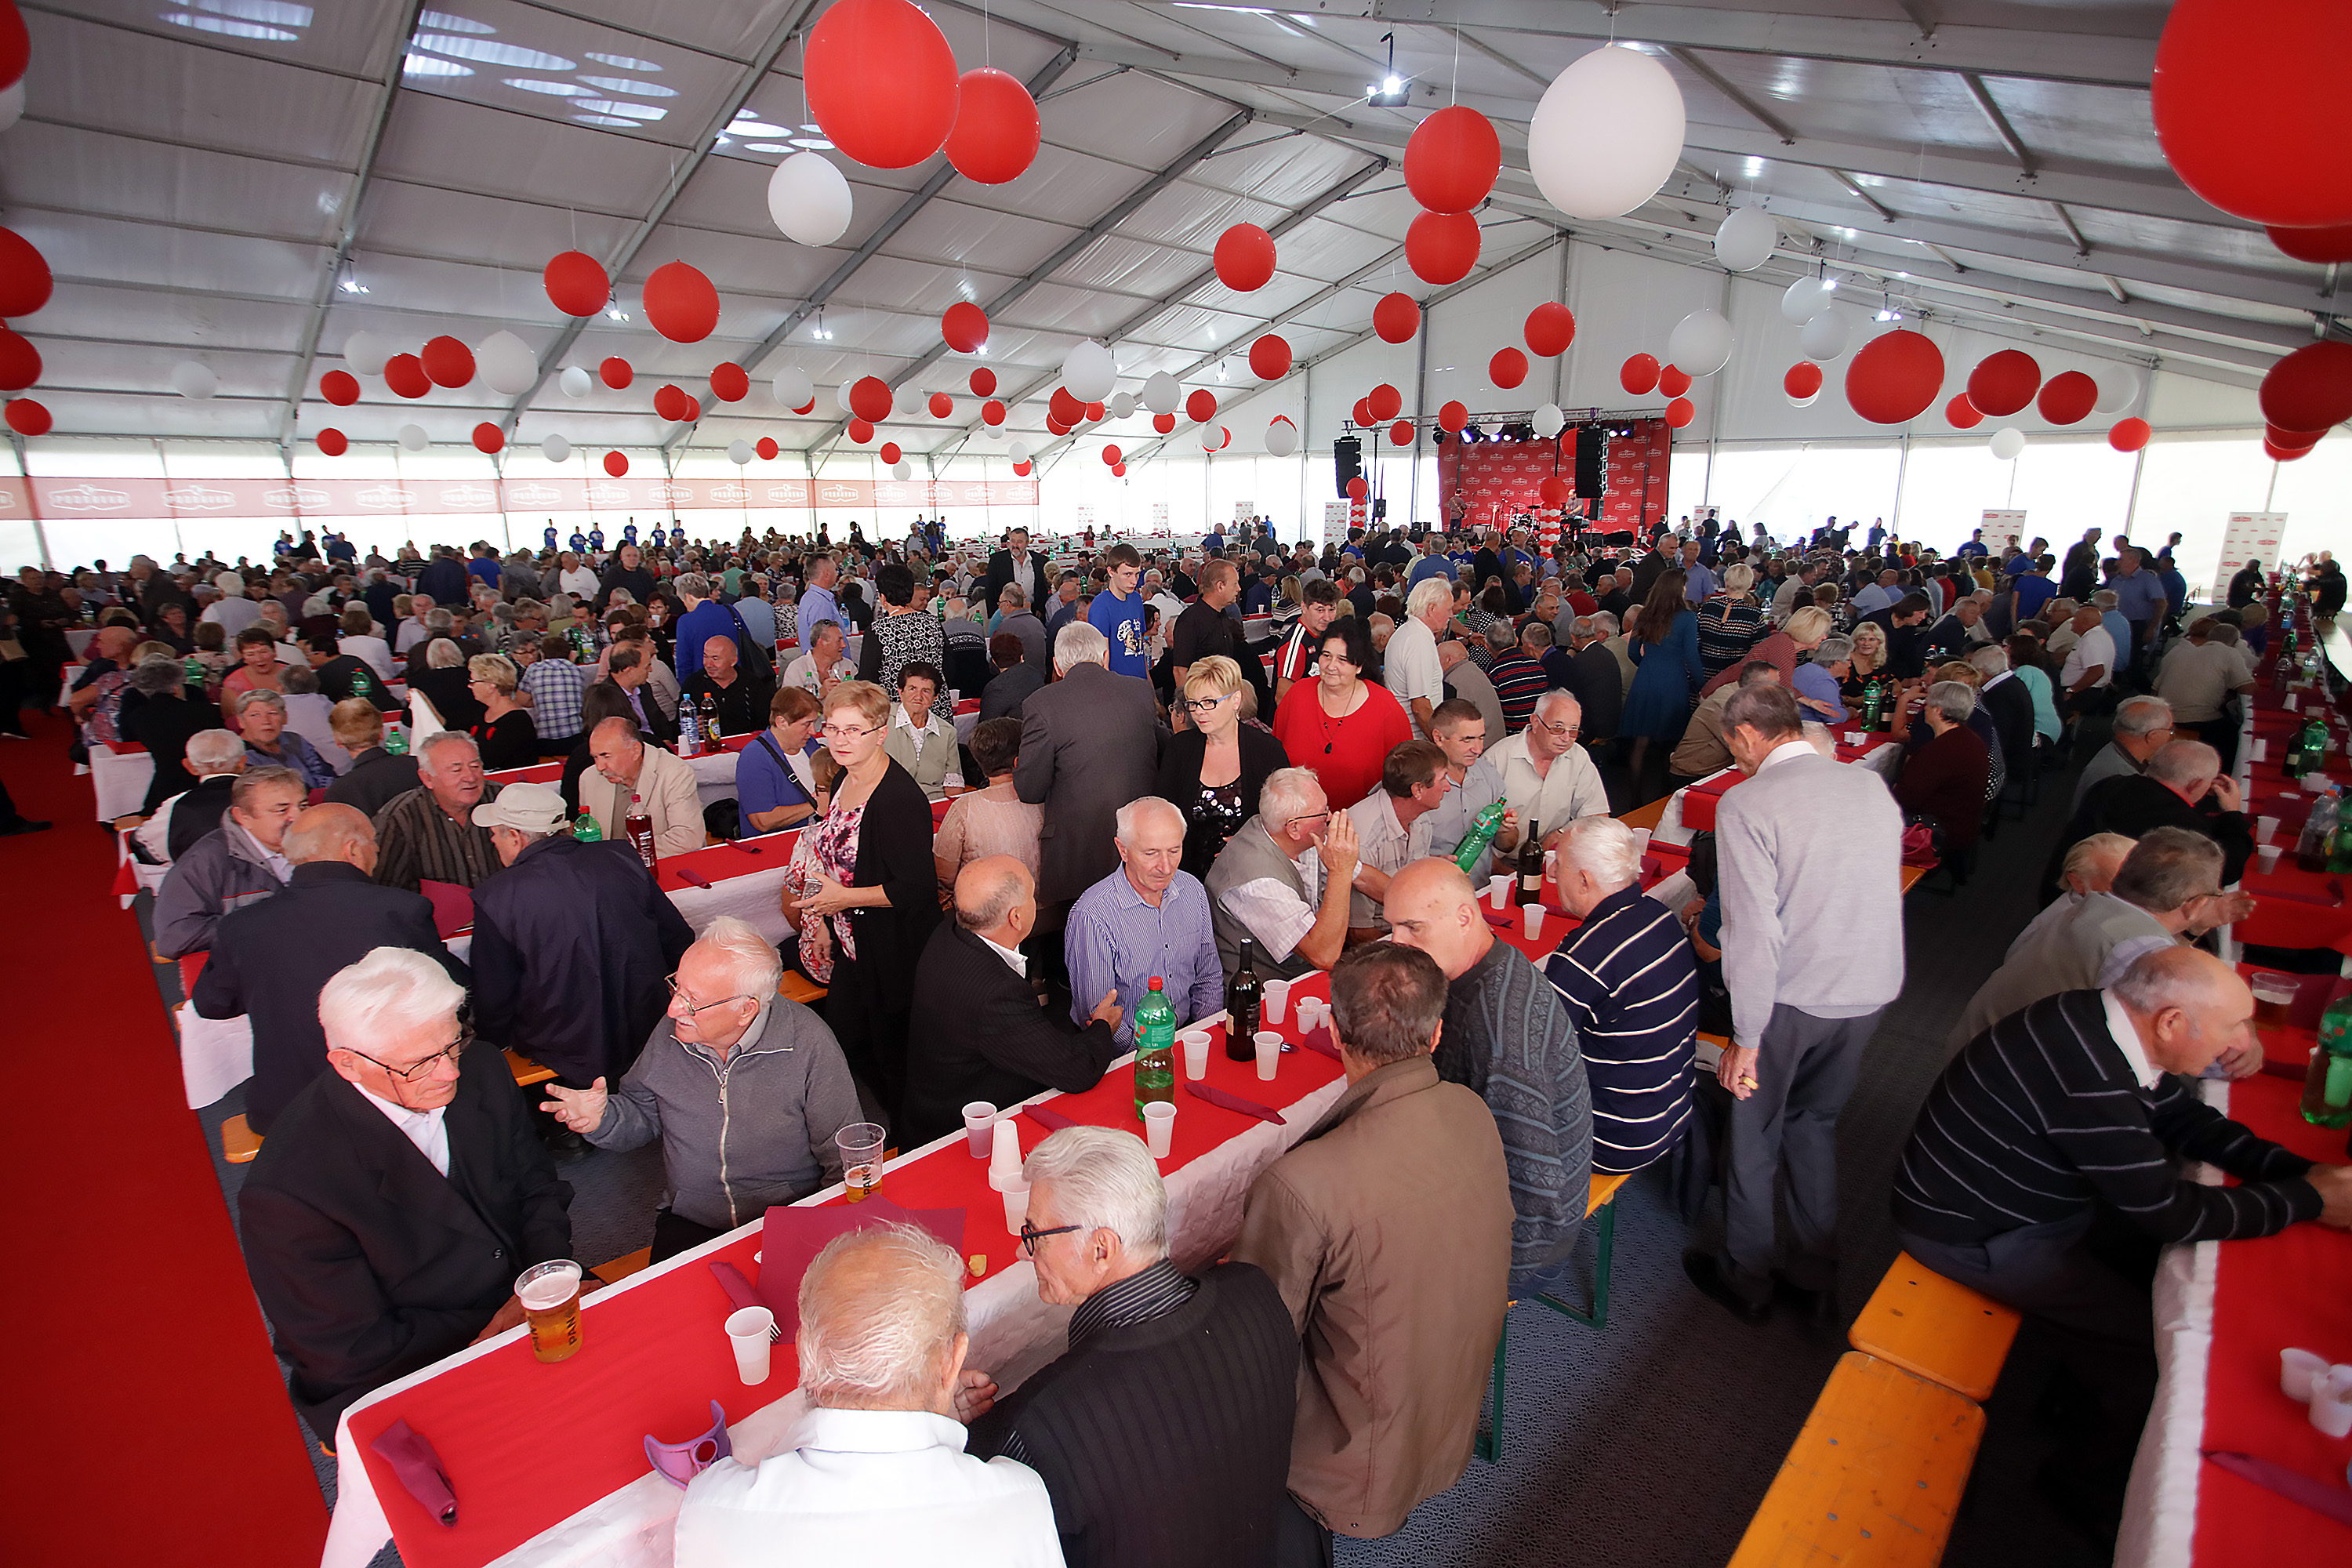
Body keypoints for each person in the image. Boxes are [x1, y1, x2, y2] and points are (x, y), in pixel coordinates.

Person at [1893, 947, 2352, 1534]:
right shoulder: (2090, 1077)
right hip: (1975, 1232)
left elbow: (2182, 1119)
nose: (2240, 1041)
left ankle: (2070, 1395)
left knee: (2152, 1270)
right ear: (2171, 1023)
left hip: (2020, 1205)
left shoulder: (2099, 1021)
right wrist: (2311, 1200)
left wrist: (2301, 1174)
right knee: (2153, 1350)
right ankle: (2078, 1480)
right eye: (2233, 1025)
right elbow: (2171, 1213)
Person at [1232, 942, 1513, 1555]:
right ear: (1436, 1033)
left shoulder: (1302, 1184)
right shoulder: (1471, 1109)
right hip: (1449, 1412)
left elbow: (1256, 1348)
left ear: (1334, 1034)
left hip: (1352, 1463)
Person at [236, 946, 573, 1445]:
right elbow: (348, 1347)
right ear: (348, 1064)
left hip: (526, 1298)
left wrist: (545, 1282)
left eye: (453, 1043)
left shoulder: (481, 1067)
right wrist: (506, 1321)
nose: (450, 1072)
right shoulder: (288, 1190)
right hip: (406, 1365)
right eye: (419, 1063)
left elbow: (536, 1186)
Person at [964, 1127, 1300, 1568]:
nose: (1026, 1253)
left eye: (1036, 1234)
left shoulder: (1046, 1421)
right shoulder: (1256, 1291)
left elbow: (976, 1530)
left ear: (1101, 1248)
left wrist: (943, 1422)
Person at [1688, 684, 1904, 1326]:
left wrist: (1746, 1036)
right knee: (1815, 1124)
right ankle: (1815, 1276)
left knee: (1755, 1134)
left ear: (1745, 735)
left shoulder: (1748, 802)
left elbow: (1754, 932)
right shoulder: (1868, 786)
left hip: (1791, 997)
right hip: (1868, 989)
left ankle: (1748, 1275)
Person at [673, 1224, 1062, 1567]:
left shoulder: (713, 1510)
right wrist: (934, 1407)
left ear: (805, 1352)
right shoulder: (1018, 1504)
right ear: (953, 1362)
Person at [542, 916, 858, 1259]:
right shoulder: (672, 1033)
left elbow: (845, 1152)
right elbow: (642, 1113)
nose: (673, 1008)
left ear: (745, 1009)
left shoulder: (808, 1043)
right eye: (676, 987)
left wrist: (823, 1230)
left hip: (789, 1213)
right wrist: (602, 1118)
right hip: (691, 1216)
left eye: (692, 1000)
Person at [1381, 859, 1593, 1286]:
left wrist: (1485, 1278)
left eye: (1413, 928)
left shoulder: (1500, 1035)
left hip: (1523, 1245)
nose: (1397, 944)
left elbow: (1535, 1191)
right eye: (1392, 928)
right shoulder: (1488, 962)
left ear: (1464, 917)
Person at [192, 804, 464, 1134]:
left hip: (287, 1107)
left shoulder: (241, 926)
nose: (377, 852)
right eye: (373, 843)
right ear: (353, 850)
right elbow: (454, 991)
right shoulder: (399, 909)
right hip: (389, 1098)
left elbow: (212, 1004)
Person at [468, 779, 695, 1099]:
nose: (493, 840)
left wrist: (493, 1042)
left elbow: (494, 995)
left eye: (495, 833)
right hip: (647, 1022)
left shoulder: (496, 897)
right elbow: (677, 938)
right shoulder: (620, 856)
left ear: (516, 837)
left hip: (563, 1046)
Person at [786, 680, 943, 1109]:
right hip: (851, 939)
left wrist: (843, 901)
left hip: (893, 949)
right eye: (833, 728)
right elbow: (832, 858)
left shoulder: (897, 799)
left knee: (894, 1057)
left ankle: (912, 1136)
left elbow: (916, 888)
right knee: (850, 1041)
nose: (840, 740)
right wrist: (825, 921)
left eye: (854, 730)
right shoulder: (843, 778)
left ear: (880, 732)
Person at [903, 858, 1123, 1146]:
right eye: (1032, 896)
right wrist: (1104, 1026)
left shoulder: (949, 930)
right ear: (1016, 918)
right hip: (963, 1132)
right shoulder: (996, 994)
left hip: (929, 1101)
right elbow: (1078, 1070)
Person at [1545, 816, 1700, 1173]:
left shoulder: (1583, 957)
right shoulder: (1659, 915)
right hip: (1672, 1112)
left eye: (1559, 863)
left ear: (1584, 879)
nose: (1552, 873)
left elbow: (1535, 1053)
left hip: (1613, 1140)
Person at [1016, 622, 1163, 916]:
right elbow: (1161, 749)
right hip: (1142, 843)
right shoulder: (1139, 691)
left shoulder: (1041, 704)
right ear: (1106, 656)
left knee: (1079, 937)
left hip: (1078, 854)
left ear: (1057, 666)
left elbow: (1029, 790)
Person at [1065, 797, 1222, 1048]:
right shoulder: (1093, 915)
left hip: (1192, 1038)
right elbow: (1098, 1016)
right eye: (1151, 853)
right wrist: (1148, 1050)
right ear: (1123, 850)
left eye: (1174, 851)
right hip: (1131, 1052)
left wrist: (1203, 1036)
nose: (1166, 867)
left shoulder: (1192, 889)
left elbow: (1208, 977)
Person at [1204, 768, 1359, 984]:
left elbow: (1363, 877)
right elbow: (1324, 955)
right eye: (1324, 812)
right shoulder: (1257, 881)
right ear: (1294, 828)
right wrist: (1340, 871)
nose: (1330, 817)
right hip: (1263, 994)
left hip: (1301, 978)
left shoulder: (1287, 831)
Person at [1156, 655, 1289, 880]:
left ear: (1236, 700)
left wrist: (1251, 843)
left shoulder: (1268, 750)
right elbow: (1163, 812)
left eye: (1209, 702)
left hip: (1250, 875)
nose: (1199, 712)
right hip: (1187, 877)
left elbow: (1287, 821)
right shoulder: (1179, 748)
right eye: (1193, 703)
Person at [154, 764, 303, 956]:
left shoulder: (320, 842)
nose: (298, 817)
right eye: (282, 810)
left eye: (303, 806)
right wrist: (268, 922)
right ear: (243, 817)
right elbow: (174, 938)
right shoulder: (205, 861)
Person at [2072, 738, 2256, 888]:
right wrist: (2233, 813)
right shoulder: (2183, 825)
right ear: (2196, 784)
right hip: (2115, 897)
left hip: (2073, 880)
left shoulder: (2110, 784)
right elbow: (2227, 871)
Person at [1270, 618, 1410, 814]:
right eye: (1326, 656)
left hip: (1360, 822)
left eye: (1342, 660)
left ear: (1359, 666)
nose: (1331, 666)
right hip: (1296, 819)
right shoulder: (1297, 695)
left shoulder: (1386, 709)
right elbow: (1275, 757)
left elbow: (1404, 775)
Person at [372, 730, 506, 893]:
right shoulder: (400, 817)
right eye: (456, 770)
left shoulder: (502, 799)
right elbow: (386, 888)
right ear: (427, 778)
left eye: (475, 766)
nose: (470, 778)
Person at [1483, 688, 1610, 851]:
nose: (1566, 738)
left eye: (1573, 731)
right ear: (1535, 723)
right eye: (1557, 728)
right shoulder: (1497, 759)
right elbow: (1472, 827)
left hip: (1554, 856)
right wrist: (1497, 864)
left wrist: (1562, 833)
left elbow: (1597, 815)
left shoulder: (1578, 756)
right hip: (1500, 858)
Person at [1620, 571, 1703, 798]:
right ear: (1678, 589)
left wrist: (1648, 666)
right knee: (1670, 744)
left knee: (1640, 743)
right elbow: (1692, 656)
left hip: (1646, 679)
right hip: (1673, 681)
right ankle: (1665, 797)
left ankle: (1634, 800)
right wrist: (1703, 685)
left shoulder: (1645, 614)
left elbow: (1632, 651)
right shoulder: (1687, 617)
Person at [1422, 695, 1519, 880]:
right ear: (1438, 738)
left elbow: (1506, 846)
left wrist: (1506, 830)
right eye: (1467, 740)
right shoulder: (1416, 782)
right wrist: (1432, 864)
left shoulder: (1488, 774)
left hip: (1481, 888)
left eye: (1481, 738)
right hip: (1431, 887)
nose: (1478, 749)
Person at [1891, 680, 1991, 857]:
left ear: (1938, 711)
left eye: (1927, 704)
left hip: (1939, 832)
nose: (1924, 709)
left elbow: (1904, 798)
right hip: (1963, 825)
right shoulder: (1970, 739)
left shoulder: (1940, 750)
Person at [581, 716, 702, 857]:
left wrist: (620, 854)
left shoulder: (674, 772)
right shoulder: (589, 778)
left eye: (606, 756)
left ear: (636, 751)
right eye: (595, 757)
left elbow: (688, 839)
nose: (599, 767)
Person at [119, 659, 224, 815]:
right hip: (206, 786)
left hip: (165, 786)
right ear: (176, 688)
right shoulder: (206, 711)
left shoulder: (138, 717)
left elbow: (128, 739)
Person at [2154, 617, 2255, 769]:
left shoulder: (2177, 650)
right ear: (2235, 643)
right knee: (2237, 735)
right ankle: (2219, 775)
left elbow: (2155, 689)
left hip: (2164, 716)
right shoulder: (2229, 653)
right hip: (2197, 721)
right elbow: (2249, 690)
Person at [735, 686, 824, 836]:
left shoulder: (809, 744)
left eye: (814, 723)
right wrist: (816, 805)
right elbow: (763, 820)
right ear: (781, 722)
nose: (813, 731)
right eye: (806, 724)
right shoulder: (754, 757)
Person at [2071, 694, 2174, 811]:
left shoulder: (2114, 753)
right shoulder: (2124, 781)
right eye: (2170, 730)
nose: (2171, 735)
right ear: (2152, 736)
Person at [884, 661, 962, 801]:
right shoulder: (882, 721)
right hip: (889, 801)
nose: (918, 697)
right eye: (912, 689)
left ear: (935, 697)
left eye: (926, 691)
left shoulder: (947, 732)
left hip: (931, 803)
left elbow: (953, 783)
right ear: (901, 692)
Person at [1382, 578, 1450, 739]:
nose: (1451, 615)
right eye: (1449, 609)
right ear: (1432, 609)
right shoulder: (1418, 640)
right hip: (1415, 739)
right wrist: (1441, 744)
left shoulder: (1410, 632)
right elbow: (1420, 707)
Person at [681, 634, 773, 741]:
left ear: (733, 661)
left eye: (715, 659)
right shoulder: (693, 683)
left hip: (746, 744)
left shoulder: (752, 684)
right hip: (708, 745)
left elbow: (765, 724)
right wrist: (692, 727)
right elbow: (680, 724)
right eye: (705, 657)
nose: (708, 664)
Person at [459, 652, 537, 771]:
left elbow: (489, 760)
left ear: (491, 686)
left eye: (473, 682)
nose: (470, 686)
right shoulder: (482, 712)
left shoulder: (517, 721)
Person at [1084, 543, 1150, 678]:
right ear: (1111, 572)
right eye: (1128, 574)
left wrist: (1149, 682)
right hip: (1117, 683)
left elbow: (1140, 647)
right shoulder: (1101, 604)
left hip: (1139, 681)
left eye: (1137, 574)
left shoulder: (1136, 598)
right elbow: (1101, 658)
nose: (1134, 581)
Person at [1272, 578, 1341, 702]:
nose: (1327, 618)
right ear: (1304, 607)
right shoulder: (1296, 643)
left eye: (1331, 610)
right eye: (1320, 610)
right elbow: (1282, 696)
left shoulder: (1325, 634)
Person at [978, 630, 1044, 723]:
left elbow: (985, 726)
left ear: (994, 661)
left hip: (1012, 731)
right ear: (1021, 657)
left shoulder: (995, 688)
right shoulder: (1036, 676)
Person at [781, 619, 855, 698]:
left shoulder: (848, 665)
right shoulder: (797, 668)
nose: (844, 645)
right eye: (838, 641)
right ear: (821, 643)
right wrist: (820, 694)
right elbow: (789, 703)